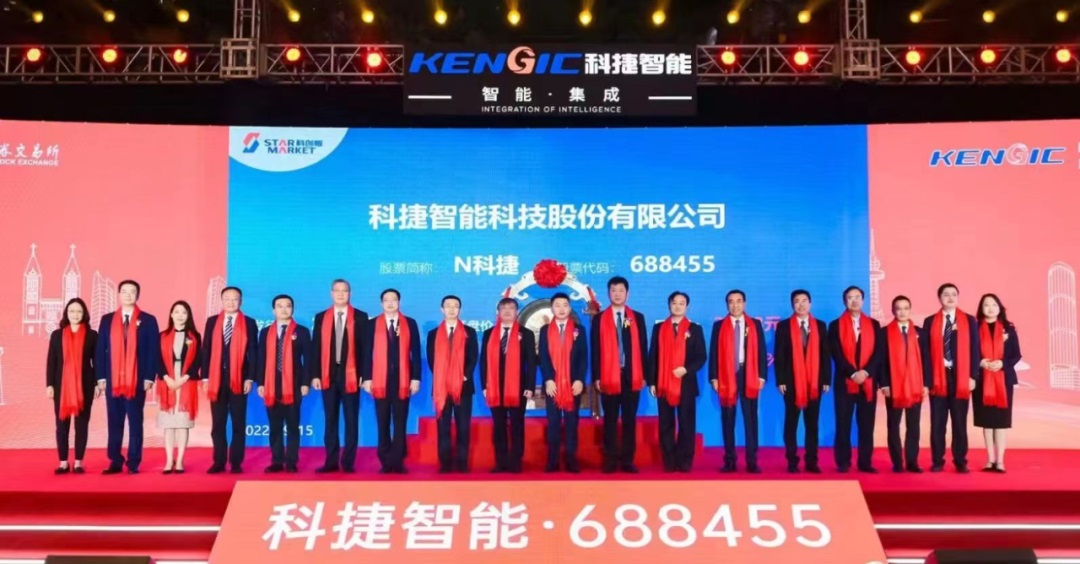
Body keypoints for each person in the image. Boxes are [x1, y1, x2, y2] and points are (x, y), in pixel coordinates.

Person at [94, 280, 161, 475]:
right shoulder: (107, 320)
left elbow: (153, 351)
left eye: (132, 291)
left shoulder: (148, 320)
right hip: (112, 379)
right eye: (124, 291)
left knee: (135, 421)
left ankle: (133, 461)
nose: (128, 295)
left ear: (137, 295)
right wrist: (100, 377)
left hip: (137, 380)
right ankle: (115, 460)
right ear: (119, 294)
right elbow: (100, 349)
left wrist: (149, 377)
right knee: (114, 421)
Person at [591, 276, 647, 474]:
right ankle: (610, 460)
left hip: (632, 376)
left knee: (629, 420)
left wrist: (645, 375)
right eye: (613, 290)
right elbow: (595, 349)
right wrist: (597, 376)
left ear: (627, 294)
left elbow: (643, 347)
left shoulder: (637, 318)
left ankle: (627, 460)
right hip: (608, 376)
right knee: (610, 420)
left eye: (621, 290)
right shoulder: (599, 319)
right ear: (608, 293)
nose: (617, 294)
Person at [311, 279, 368, 474]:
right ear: (331, 293)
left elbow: (365, 350)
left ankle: (348, 462)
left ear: (350, 293)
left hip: (352, 375)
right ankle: (331, 461)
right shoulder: (321, 317)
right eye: (337, 291)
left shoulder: (360, 317)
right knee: (330, 419)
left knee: (351, 420)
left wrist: (364, 375)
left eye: (345, 291)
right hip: (328, 374)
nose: (341, 294)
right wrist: (315, 375)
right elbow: (316, 347)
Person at [923, 283, 980, 474]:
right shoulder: (930, 321)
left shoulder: (969, 320)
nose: (950, 298)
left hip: (960, 377)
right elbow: (926, 354)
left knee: (959, 422)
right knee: (938, 423)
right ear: (939, 298)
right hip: (938, 377)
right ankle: (937, 460)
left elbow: (975, 349)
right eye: (945, 294)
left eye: (953, 294)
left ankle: (960, 461)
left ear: (958, 297)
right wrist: (928, 381)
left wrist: (972, 376)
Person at [648, 291, 706, 473]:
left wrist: (686, 369)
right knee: (666, 423)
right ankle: (669, 460)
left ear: (687, 306)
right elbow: (653, 355)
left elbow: (701, 356)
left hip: (686, 383)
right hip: (663, 382)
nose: (678, 306)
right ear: (669, 305)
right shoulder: (659, 328)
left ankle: (685, 460)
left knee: (686, 423)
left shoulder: (695, 329)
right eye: (674, 302)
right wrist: (652, 382)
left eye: (682, 303)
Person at [709, 289, 767, 473]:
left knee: (750, 419)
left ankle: (752, 461)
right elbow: (713, 352)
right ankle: (729, 460)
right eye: (731, 301)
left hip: (748, 374)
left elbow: (762, 351)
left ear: (745, 303)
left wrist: (761, 376)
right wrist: (714, 377)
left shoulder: (755, 324)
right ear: (727, 304)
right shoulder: (719, 326)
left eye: (739, 301)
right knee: (728, 419)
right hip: (726, 375)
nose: (735, 305)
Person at [364, 289, 421, 474]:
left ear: (399, 302)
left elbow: (416, 353)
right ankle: (385, 461)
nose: (390, 303)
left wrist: (416, 378)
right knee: (382, 422)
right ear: (381, 303)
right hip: (379, 380)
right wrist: (367, 378)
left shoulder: (409, 323)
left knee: (400, 422)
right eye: (386, 300)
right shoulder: (372, 324)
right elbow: (366, 353)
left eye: (393, 300)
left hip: (403, 380)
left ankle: (398, 460)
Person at [201, 286, 257, 474]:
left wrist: (250, 378)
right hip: (216, 380)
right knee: (218, 424)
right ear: (222, 300)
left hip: (239, 380)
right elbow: (206, 350)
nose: (231, 302)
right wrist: (206, 377)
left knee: (239, 423)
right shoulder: (212, 322)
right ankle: (218, 461)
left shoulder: (249, 323)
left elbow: (253, 353)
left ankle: (236, 462)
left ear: (241, 301)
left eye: (235, 299)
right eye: (227, 298)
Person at [773, 290, 831, 474]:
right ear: (792, 305)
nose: (801, 304)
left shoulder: (820, 326)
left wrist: (826, 379)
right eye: (797, 301)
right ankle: (792, 461)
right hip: (791, 382)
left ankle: (812, 461)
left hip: (814, 382)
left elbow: (825, 355)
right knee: (791, 423)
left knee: (812, 424)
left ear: (810, 304)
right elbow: (779, 355)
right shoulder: (783, 326)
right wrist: (780, 380)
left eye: (805, 301)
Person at [256, 294, 311, 473]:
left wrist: (305, 383)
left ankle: (292, 462)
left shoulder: (302, 331)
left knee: (293, 426)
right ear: (273, 310)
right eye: (279, 306)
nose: (284, 309)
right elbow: (261, 359)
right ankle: (277, 461)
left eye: (288, 305)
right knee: (275, 426)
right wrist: (261, 383)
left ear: (292, 309)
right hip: (271, 384)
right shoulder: (265, 332)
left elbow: (308, 360)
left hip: (294, 384)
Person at [828, 285, 881, 473]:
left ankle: (865, 462)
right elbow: (836, 354)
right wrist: (852, 373)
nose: (854, 300)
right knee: (843, 423)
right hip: (845, 382)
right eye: (850, 297)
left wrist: (865, 373)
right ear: (844, 301)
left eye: (858, 297)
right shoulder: (835, 325)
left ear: (863, 300)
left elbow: (878, 353)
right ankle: (843, 462)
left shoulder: (874, 324)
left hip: (868, 382)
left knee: (866, 424)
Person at [481, 297, 536, 473]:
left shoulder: (526, 334)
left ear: (516, 312)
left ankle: (516, 462)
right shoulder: (489, 333)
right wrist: (484, 386)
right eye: (503, 308)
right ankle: (501, 462)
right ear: (498, 312)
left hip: (518, 387)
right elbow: (483, 362)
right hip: (494, 387)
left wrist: (530, 386)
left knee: (517, 425)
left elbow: (531, 363)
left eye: (511, 308)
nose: (506, 311)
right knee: (499, 425)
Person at [425, 295, 478, 473]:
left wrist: (464, 376)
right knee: (443, 427)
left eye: (455, 306)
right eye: (448, 306)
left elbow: (473, 357)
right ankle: (445, 463)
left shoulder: (469, 332)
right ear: (442, 309)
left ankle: (462, 462)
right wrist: (443, 377)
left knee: (463, 426)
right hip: (441, 387)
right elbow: (432, 360)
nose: (452, 309)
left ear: (460, 310)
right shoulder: (433, 334)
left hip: (463, 387)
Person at [46, 298, 98, 474]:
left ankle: (78, 462)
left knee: (81, 425)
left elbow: (96, 362)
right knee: (62, 426)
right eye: (72, 311)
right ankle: (63, 462)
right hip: (61, 387)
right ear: (66, 313)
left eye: (79, 311)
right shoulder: (56, 335)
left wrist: (97, 383)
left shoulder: (92, 335)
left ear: (84, 314)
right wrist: (49, 385)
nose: (75, 314)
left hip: (85, 386)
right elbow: (51, 362)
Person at [878, 295, 929, 473]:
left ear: (910, 309)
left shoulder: (920, 333)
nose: (902, 312)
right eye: (898, 308)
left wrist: (926, 384)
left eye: (905, 308)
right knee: (893, 425)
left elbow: (926, 360)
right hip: (894, 386)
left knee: (913, 425)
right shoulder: (884, 333)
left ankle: (912, 461)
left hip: (915, 386)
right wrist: (884, 384)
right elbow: (881, 361)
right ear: (893, 310)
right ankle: (897, 462)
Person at [538, 292, 588, 473]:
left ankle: (571, 459)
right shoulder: (545, 330)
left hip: (572, 385)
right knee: (553, 423)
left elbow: (583, 357)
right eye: (557, 305)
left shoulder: (579, 330)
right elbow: (543, 357)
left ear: (570, 308)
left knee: (572, 422)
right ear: (552, 308)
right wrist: (548, 379)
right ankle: (552, 460)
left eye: (565, 305)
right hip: (552, 385)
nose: (561, 309)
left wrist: (580, 379)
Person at [974, 293, 1021, 473]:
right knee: (987, 422)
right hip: (982, 379)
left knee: (1001, 422)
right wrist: (980, 362)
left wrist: (1002, 363)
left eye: (994, 305)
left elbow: (1016, 354)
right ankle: (990, 460)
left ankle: (1000, 461)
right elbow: (968, 352)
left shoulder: (1008, 329)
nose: (990, 308)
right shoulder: (975, 328)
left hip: (1003, 379)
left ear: (1000, 308)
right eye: (986, 305)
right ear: (981, 309)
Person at [156, 301, 201, 474]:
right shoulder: (162, 335)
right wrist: (167, 378)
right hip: (167, 379)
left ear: (188, 315)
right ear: (171, 314)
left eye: (184, 312)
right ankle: (169, 460)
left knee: (182, 423)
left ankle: (180, 459)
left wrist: (183, 378)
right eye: (176, 311)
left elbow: (198, 359)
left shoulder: (194, 336)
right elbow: (157, 359)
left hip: (186, 380)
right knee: (169, 424)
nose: (180, 315)